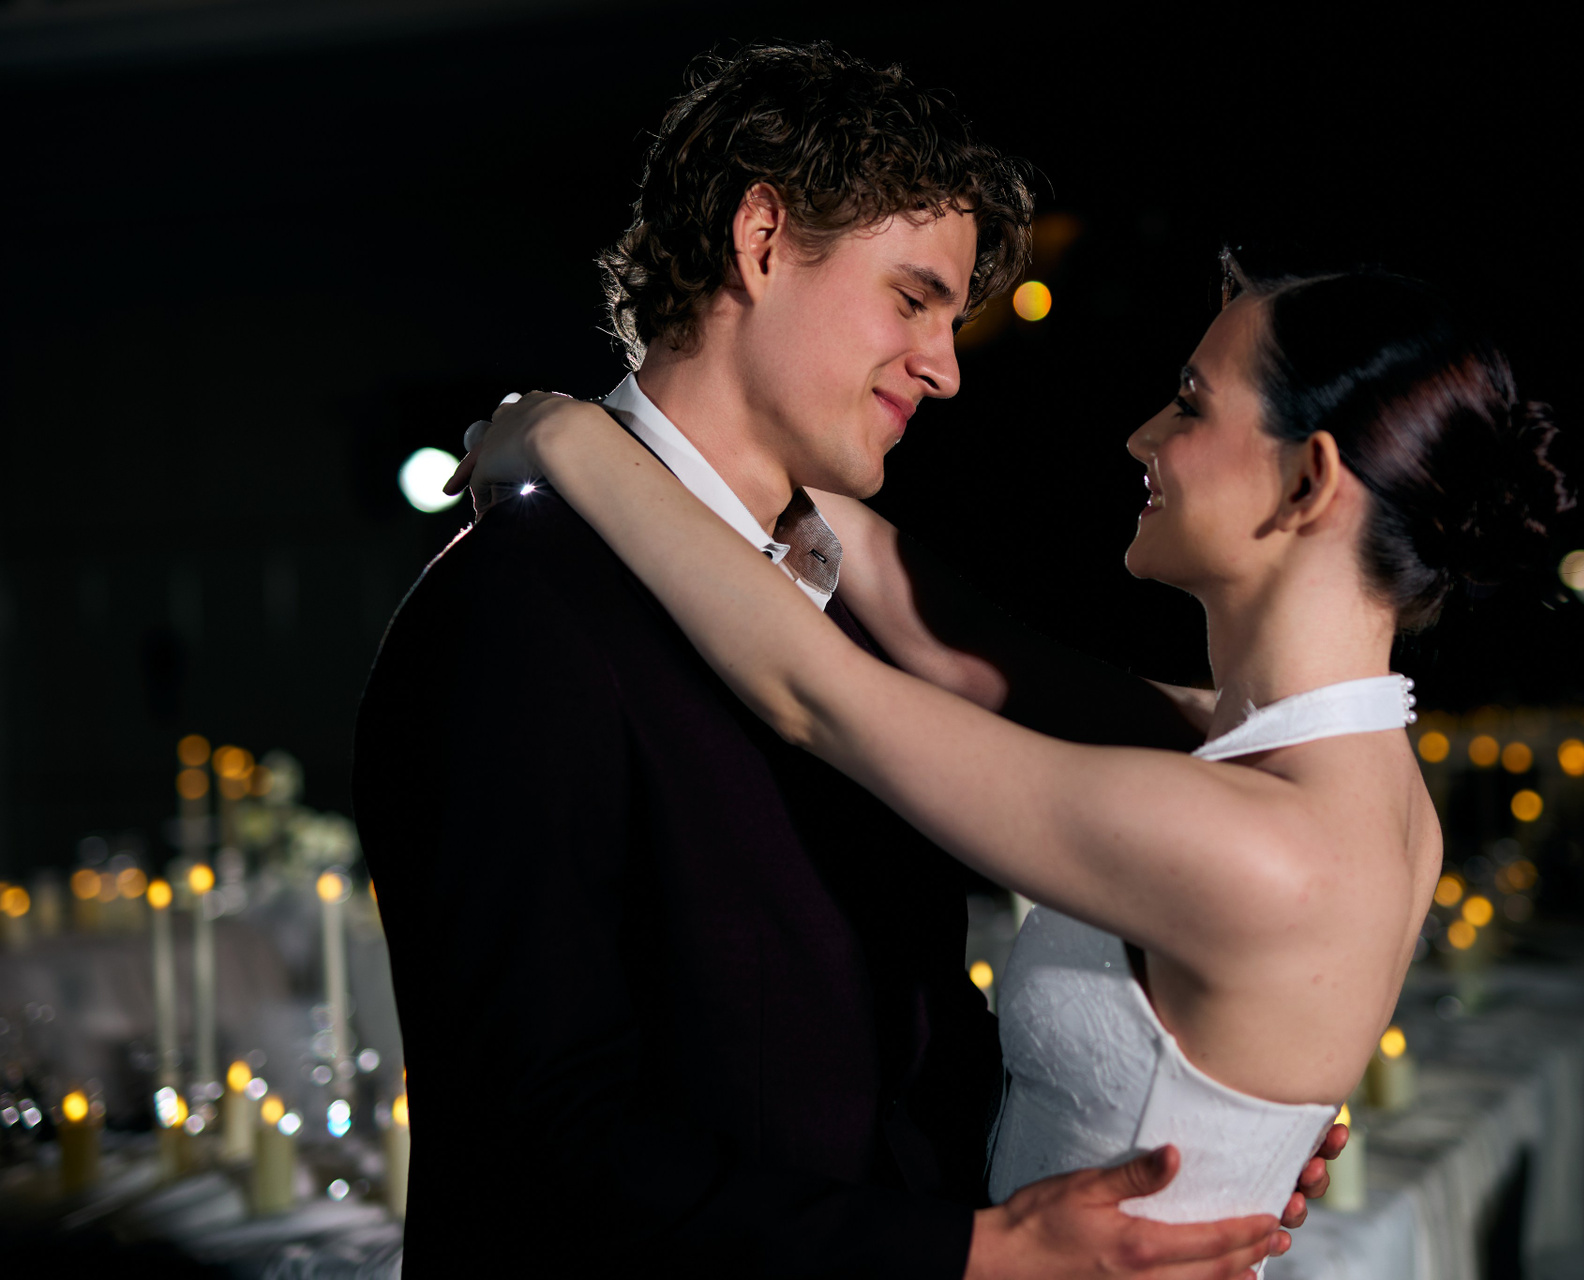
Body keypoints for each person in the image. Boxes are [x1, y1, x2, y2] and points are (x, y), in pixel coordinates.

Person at [355, 42, 1331, 1278]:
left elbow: (890, 1046)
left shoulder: (855, 611)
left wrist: (1179, 1129)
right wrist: (969, 1250)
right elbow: (542, 1145)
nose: (947, 367)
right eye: (914, 299)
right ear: (762, 240)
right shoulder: (516, 610)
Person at [454, 256, 1573, 1267]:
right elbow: (955, 643)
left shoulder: (1262, 847)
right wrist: (737, 431)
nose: (1142, 437)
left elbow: (816, 695)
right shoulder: (1328, 772)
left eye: (1191, 403)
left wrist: (563, 439)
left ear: (1308, 481)